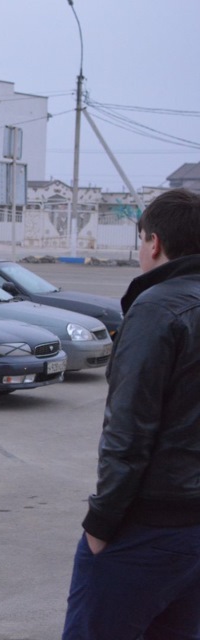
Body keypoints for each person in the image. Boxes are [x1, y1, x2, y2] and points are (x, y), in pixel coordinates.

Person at [62, 188, 200, 639]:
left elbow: (129, 430)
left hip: (149, 526)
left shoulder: (157, 309)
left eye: (140, 239)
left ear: (154, 243)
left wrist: (101, 525)